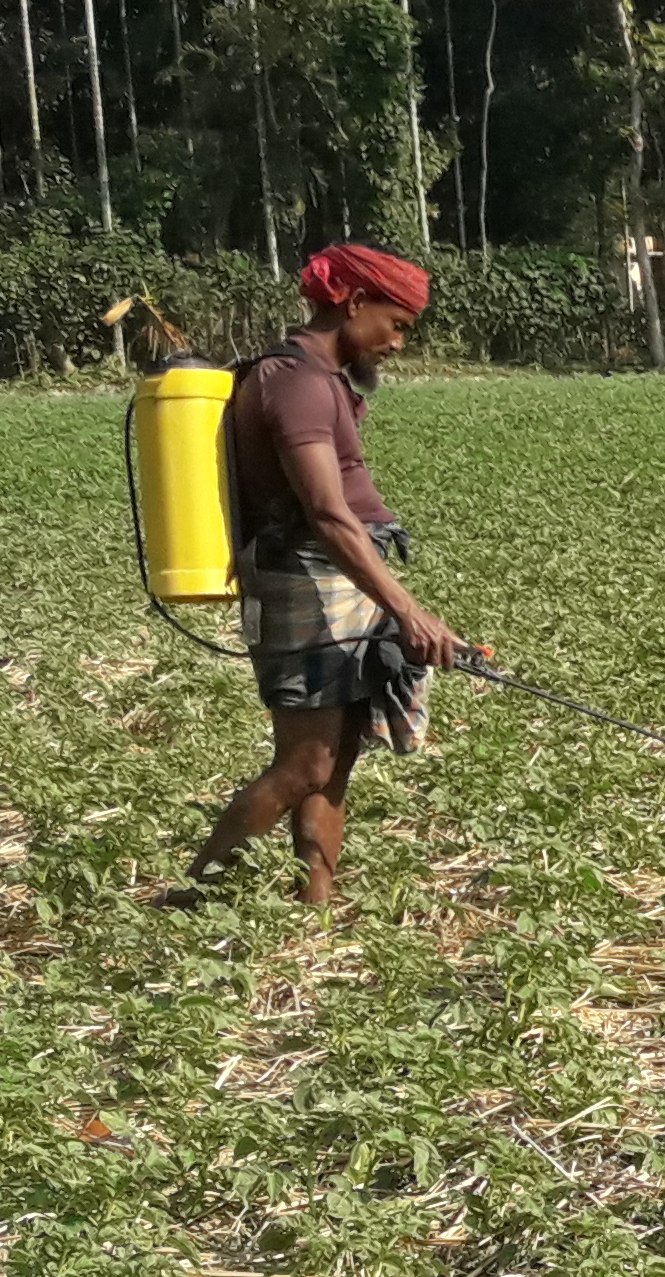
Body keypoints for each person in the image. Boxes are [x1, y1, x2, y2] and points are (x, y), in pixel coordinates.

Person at [187, 243, 464, 906]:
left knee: (334, 756)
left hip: (335, 580)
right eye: (396, 324)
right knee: (303, 763)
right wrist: (408, 610)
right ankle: (194, 895)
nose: (398, 343)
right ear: (354, 301)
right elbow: (328, 514)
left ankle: (317, 905)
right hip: (306, 581)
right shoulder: (299, 384)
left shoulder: (317, 379)